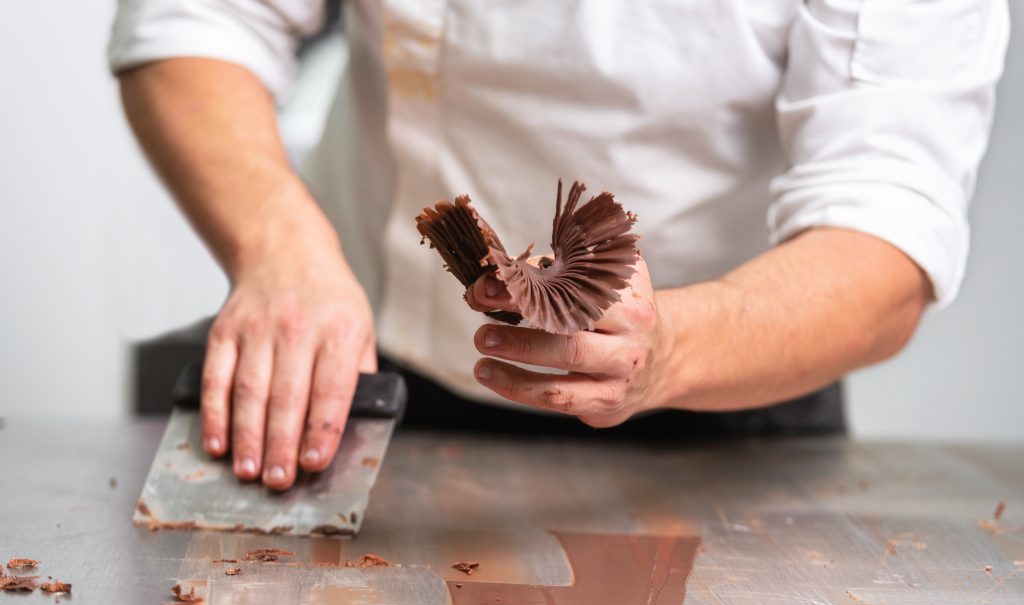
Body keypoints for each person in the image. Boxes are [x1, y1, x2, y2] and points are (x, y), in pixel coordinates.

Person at [109, 1, 1009, 491]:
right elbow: (200, 21)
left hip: (729, 416)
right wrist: (279, 243)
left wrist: (673, 347)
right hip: (372, 375)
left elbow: (886, 226)